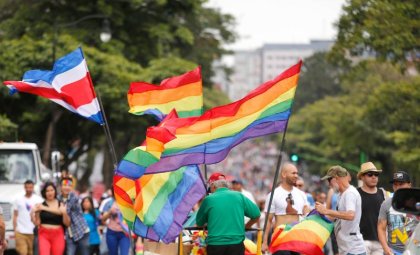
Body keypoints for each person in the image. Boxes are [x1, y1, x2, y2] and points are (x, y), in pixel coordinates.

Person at [196, 172, 260, 255]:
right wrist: (245, 227)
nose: (210, 190)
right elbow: (256, 215)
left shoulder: (209, 199)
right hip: (236, 244)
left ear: (213, 186)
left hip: (215, 245)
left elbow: (199, 223)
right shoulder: (239, 196)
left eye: (210, 188)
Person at [315, 165, 366, 255]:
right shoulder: (341, 195)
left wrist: (326, 211)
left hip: (353, 250)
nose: (329, 184)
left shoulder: (350, 193)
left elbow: (350, 215)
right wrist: (316, 215)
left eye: (329, 180)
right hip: (346, 249)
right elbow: (335, 217)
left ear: (336, 179)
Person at [262, 163, 310, 255]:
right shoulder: (273, 195)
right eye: (293, 173)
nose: (296, 176)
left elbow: (307, 215)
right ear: (284, 174)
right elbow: (268, 221)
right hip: (280, 239)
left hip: (297, 239)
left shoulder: (301, 194)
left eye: (297, 173)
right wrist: (264, 242)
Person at [378, 171, 418, 255]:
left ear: (409, 185)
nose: (398, 187)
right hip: (393, 251)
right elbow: (381, 228)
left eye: (401, 184)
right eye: (395, 184)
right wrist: (386, 249)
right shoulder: (386, 204)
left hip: (414, 250)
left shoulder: (417, 204)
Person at [31, 182, 70, 255]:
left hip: (58, 234)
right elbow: (37, 223)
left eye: (52, 190)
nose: (50, 193)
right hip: (43, 234)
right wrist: (36, 213)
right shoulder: (40, 205)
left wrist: (64, 213)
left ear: (55, 191)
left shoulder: (61, 204)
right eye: (47, 191)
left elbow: (67, 224)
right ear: (44, 193)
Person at [356, 162, 386, 255]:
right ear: (362, 177)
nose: (374, 177)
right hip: (361, 241)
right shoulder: (355, 194)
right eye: (370, 174)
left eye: (376, 174)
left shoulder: (383, 193)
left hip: (379, 242)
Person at [59, 176, 90, 255]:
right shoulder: (58, 198)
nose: (67, 187)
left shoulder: (74, 197)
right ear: (60, 186)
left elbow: (66, 210)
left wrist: (61, 210)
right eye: (65, 185)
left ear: (72, 187)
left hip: (81, 231)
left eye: (69, 185)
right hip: (69, 234)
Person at [13, 180, 43, 255]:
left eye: (30, 187)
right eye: (27, 187)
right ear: (24, 187)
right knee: (23, 252)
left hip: (33, 232)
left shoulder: (38, 199)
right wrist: (15, 230)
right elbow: (15, 215)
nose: (29, 189)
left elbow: (41, 215)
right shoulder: (18, 199)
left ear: (33, 188)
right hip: (20, 232)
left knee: (31, 253)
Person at [101, 190, 130, 255]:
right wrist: (110, 212)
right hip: (112, 233)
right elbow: (103, 219)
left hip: (124, 233)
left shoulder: (128, 203)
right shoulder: (109, 202)